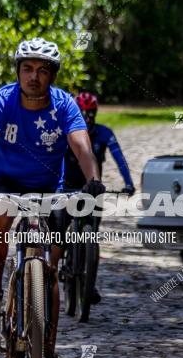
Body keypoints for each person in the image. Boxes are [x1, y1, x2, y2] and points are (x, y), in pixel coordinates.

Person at [0, 37, 104, 358]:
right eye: (27, 69)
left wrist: (93, 180)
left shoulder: (64, 104)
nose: (34, 77)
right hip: (5, 180)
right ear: (18, 72)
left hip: (48, 188)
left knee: (51, 267)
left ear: (52, 75)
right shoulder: (3, 98)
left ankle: (48, 353)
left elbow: (81, 145)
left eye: (42, 70)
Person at [54, 91, 135, 304]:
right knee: (59, 233)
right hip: (66, 186)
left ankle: (89, 281)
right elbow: (56, 159)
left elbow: (120, 159)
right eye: (83, 113)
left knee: (91, 234)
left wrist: (128, 183)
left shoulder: (104, 133)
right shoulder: (66, 133)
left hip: (92, 188)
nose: (88, 118)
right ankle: (54, 271)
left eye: (91, 113)